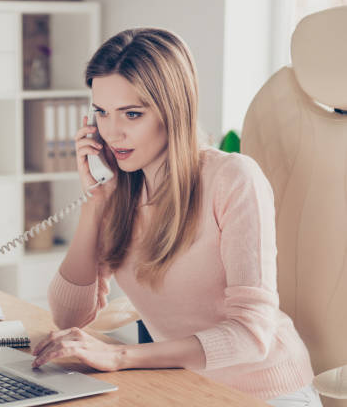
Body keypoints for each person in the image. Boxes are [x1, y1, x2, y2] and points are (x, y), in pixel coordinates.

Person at [31, 28, 321, 406]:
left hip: (265, 392)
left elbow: (251, 335)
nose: (112, 133)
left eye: (131, 114)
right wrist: (94, 203)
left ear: (172, 111)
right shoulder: (119, 188)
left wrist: (121, 357)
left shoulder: (232, 179)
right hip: (184, 386)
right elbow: (69, 315)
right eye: (101, 112)